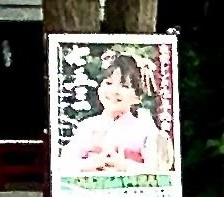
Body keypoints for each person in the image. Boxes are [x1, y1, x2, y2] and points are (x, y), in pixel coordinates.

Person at [60, 51, 171, 180]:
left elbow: (157, 170)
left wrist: (124, 166)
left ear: (137, 97)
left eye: (124, 86)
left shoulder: (144, 127)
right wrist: (90, 165)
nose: (114, 91)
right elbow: (63, 164)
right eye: (108, 83)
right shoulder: (88, 126)